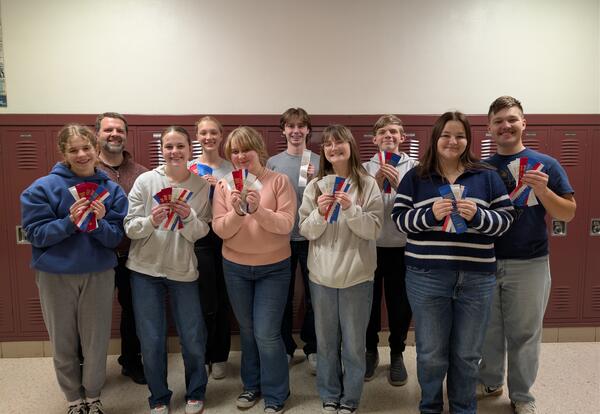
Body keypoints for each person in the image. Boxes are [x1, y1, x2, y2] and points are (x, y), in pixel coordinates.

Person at [391, 111, 514, 414]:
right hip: (426, 275)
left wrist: (478, 216)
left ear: (468, 140)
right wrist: (431, 214)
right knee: (431, 353)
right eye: (446, 134)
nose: (453, 141)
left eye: (460, 135)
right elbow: (400, 221)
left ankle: (463, 408)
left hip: (477, 278)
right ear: (435, 138)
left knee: (467, 353)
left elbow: (506, 221)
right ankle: (430, 407)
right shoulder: (416, 176)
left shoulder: (486, 176)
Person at [21, 124, 128, 414]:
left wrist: (97, 223)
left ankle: (93, 396)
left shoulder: (112, 190)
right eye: (73, 150)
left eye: (86, 148)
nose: (81, 154)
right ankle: (73, 399)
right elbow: (36, 234)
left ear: (96, 149)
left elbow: (116, 238)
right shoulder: (42, 188)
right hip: (55, 275)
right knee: (63, 340)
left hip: (99, 274)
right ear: (63, 153)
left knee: (96, 340)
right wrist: (70, 222)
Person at [478, 96, 576, 414]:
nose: (505, 125)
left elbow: (569, 213)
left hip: (530, 262)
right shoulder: (480, 169)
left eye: (512, 119)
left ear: (524, 123)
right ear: (489, 127)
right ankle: (491, 380)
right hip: (486, 262)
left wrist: (544, 191)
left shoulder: (546, 165)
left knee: (525, 332)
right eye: (498, 121)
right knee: (488, 329)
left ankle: (522, 395)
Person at [124, 126, 212, 414]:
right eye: (169, 146)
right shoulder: (145, 180)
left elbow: (201, 232)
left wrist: (188, 218)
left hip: (182, 270)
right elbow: (130, 227)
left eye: (180, 146)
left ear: (190, 149)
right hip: (144, 270)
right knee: (150, 339)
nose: (175, 152)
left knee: (192, 336)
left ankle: (196, 392)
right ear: (162, 149)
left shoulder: (201, 185)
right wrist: (151, 220)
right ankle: (159, 397)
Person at [298, 124, 384, 414]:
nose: (334, 148)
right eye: (328, 144)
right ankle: (330, 394)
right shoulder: (315, 186)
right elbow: (306, 231)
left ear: (351, 145)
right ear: (323, 151)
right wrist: (320, 213)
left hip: (357, 276)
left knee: (354, 345)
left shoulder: (367, 184)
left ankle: (350, 398)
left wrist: (350, 209)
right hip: (322, 276)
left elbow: (374, 229)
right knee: (325, 343)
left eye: (339, 143)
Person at [212, 126, 296, 414]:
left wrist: (257, 209)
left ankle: (276, 394)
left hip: (273, 268)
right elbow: (220, 229)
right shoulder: (224, 184)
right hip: (235, 267)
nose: (239, 156)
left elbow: (286, 225)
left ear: (258, 149)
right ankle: (251, 386)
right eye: (234, 151)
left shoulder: (279, 181)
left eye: (245, 149)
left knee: (266, 333)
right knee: (247, 331)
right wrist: (236, 212)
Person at [362, 115, 417, 385]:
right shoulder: (362, 168)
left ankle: (397, 353)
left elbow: (421, 204)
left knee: (400, 305)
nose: (388, 136)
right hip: (370, 246)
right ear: (374, 139)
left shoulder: (415, 167)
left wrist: (398, 185)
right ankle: (370, 351)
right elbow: (355, 204)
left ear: (402, 137)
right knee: (368, 304)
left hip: (402, 247)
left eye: (394, 132)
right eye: (382, 132)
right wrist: (373, 181)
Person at [95, 112, 148, 385]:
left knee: (133, 310)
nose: (114, 134)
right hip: (97, 255)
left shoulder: (141, 173)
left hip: (133, 254)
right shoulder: (84, 169)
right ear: (98, 135)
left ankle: (131, 360)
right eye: (108, 130)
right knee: (92, 312)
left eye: (119, 130)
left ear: (125, 135)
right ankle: (88, 366)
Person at [266, 107, 319, 371]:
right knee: (281, 296)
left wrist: (314, 181)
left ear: (308, 130)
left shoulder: (320, 161)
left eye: (301, 126)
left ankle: (312, 347)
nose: (296, 131)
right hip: (281, 239)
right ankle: (285, 346)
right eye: (290, 126)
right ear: (283, 130)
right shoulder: (273, 162)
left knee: (314, 296)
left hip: (312, 238)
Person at [189, 116, 234, 380]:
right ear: (197, 136)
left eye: (213, 132)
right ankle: (204, 353)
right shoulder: (189, 167)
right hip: (200, 237)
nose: (208, 137)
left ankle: (220, 356)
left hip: (227, 234)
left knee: (224, 297)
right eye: (203, 133)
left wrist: (219, 189)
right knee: (204, 298)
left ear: (221, 135)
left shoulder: (229, 167)